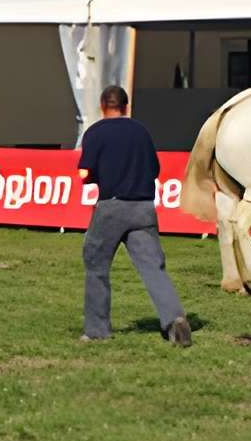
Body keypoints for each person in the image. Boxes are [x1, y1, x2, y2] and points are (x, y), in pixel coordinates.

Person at [76, 86, 189, 346]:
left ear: (103, 105)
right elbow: (154, 170)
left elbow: (84, 173)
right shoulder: (141, 131)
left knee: (96, 264)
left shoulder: (95, 133)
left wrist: (95, 176)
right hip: (143, 208)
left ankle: (96, 330)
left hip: (111, 207)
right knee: (153, 267)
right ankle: (174, 319)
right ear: (126, 107)